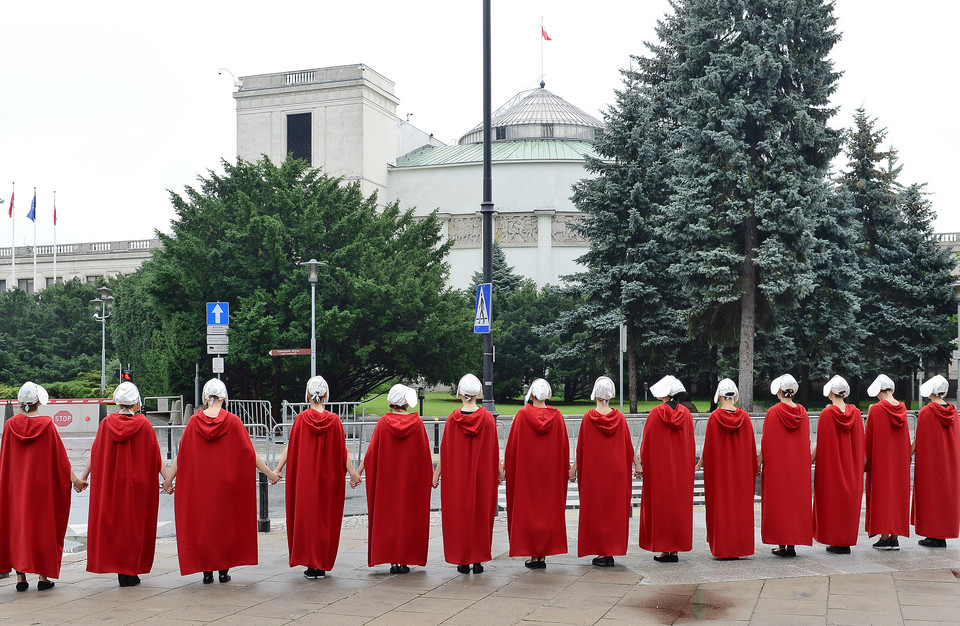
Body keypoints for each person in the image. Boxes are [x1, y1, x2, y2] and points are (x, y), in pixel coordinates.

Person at [162, 379, 279, 584]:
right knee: (224, 527)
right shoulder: (233, 422)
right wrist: (270, 473)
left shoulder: (193, 423)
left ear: (205, 398)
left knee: (204, 527)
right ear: (224, 397)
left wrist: (168, 480)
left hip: (201, 488)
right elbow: (250, 454)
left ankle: (207, 571)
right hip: (226, 488)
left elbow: (182, 456)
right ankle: (223, 570)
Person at [80, 382, 168, 587]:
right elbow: (155, 456)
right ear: (136, 403)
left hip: (111, 485)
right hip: (138, 486)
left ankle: (121, 569)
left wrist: (83, 477)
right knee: (135, 527)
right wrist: (167, 479)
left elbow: (95, 452)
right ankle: (132, 570)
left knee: (116, 527)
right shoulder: (144, 424)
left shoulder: (106, 424)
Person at [0, 382, 85, 592]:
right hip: (42, 489)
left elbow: (5, 460)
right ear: (39, 401)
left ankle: (21, 578)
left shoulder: (10, 425)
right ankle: (43, 576)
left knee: (18, 527)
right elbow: (61, 460)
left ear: (21, 403)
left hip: (17, 487)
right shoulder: (47, 425)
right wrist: (75, 480)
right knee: (43, 529)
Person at [274, 376, 360, 579]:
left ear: (307, 395)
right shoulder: (334, 421)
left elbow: (291, 447)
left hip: (305, 479)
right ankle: (321, 563)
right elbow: (342, 452)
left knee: (305, 519)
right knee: (324, 520)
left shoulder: (301, 420)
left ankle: (309, 564)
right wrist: (353, 474)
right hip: (328, 480)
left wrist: (277, 470)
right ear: (326, 395)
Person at [355, 384, 432, 574]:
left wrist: (357, 472)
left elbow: (371, 453)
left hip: (387, 480)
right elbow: (425, 455)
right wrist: (431, 477)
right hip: (410, 481)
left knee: (389, 518)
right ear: (406, 403)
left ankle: (392, 560)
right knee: (408, 517)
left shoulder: (382, 423)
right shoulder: (418, 424)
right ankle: (404, 558)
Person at [432, 374, 500, 574]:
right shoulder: (487, 419)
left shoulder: (453, 419)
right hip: (482, 477)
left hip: (457, 478)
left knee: (459, 515)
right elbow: (494, 450)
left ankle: (462, 559)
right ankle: (478, 559)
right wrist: (499, 472)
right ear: (479, 393)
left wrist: (437, 474)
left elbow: (445, 451)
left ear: (460, 393)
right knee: (480, 514)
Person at [504, 378, 570, 569]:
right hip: (550, 472)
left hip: (527, 472)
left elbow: (512, 447)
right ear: (548, 395)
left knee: (529, 510)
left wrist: (507, 469)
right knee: (548, 510)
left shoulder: (522, 415)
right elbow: (564, 447)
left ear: (531, 394)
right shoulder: (557, 416)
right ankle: (543, 554)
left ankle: (534, 554)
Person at [571, 376, 636, 567]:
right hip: (616, 472)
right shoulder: (620, 418)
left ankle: (601, 551)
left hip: (594, 472)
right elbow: (628, 447)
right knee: (613, 510)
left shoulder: (588, 418)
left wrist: (574, 469)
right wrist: (637, 465)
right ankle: (611, 550)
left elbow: (580, 448)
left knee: (596, 510)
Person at [697, 378, 757, 559]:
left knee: (721, 507)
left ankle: (723, 547)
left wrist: (700, 464)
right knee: (740, 507)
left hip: (721, 473)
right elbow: (751, 447)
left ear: (720, 396)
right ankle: (739, 546)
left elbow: (708, 448)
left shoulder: (715, 417)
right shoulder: (745, 418)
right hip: (741, 472)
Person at [638, 375, 695, 563]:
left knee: (661, 506)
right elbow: (690, 443)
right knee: (677, 506)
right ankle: (675, 548)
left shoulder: (656, 412)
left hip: (659, 468)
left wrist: (643, 463)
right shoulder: (686, 414)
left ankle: (664, 547)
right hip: (680, 468)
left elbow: (648, 441)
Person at [759, 374, 813, 557]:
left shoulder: (773, 412)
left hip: (777, 468)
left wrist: (759, 463)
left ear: (780, 391)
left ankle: (781, 544)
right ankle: (792, 544)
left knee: (779, 504)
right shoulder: (803, 412)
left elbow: (766, 441)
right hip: (798, 467)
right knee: (795, 504)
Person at [812, 375, 865, 554]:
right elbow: (860, 441)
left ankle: (835, 540)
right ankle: (846, 540)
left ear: (831, 393)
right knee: (849, 504)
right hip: (852, 467)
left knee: (831, 503)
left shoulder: (827, 414)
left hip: (831, 468)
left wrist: (809, 461)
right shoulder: (857, 413)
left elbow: (822, 443)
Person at [911, 374, 960, 547]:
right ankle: (942, 535)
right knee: (945, 497)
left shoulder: (927, 411)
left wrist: (908, 452)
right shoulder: (953, 412)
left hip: (931, 462)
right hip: (949, 462)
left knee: (930, 496)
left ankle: (933, 534)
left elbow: (921, 438)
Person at [864, 374, 911, 550]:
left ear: (880, 391)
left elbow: (869, 437)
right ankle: (895, 537)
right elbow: (905, 437)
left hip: (881, 460)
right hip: (899, 460)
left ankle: (884, 538)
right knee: (898, 494)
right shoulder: (903, 409)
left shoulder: (876, 409)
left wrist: (866, 461)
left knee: (882, 495)